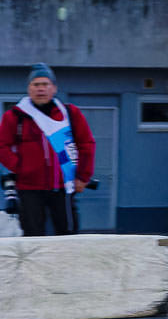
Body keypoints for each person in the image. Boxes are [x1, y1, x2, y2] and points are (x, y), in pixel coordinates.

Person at [0, 63, 96, 236]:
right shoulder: (15, 116)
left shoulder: (70, 114)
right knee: (33, 237)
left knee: (68, 235)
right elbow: (2, 146)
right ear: (29, 88)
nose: (41, 89)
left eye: (45, 84)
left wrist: (83, 176)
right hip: (29, 188)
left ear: (54, 88)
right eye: (36, 84)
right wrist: (21, 167)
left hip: (63, 186)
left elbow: (86, 144)